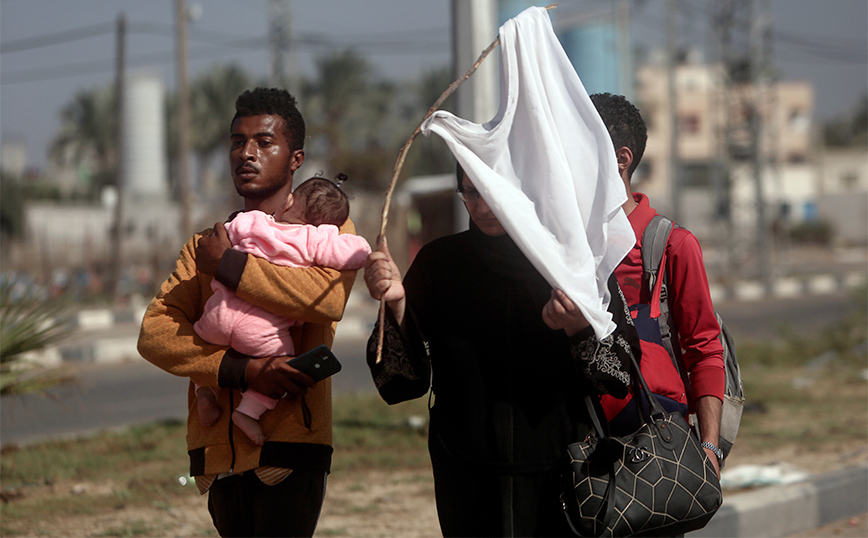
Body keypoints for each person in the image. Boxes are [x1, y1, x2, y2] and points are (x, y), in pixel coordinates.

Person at [363, 165, 640, 537]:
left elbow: (621, 375)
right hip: (467, 477)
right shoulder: (439, 264)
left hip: (564, 475)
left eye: (493, 191)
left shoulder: (574, 263)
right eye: (470, 192)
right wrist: (397, 308)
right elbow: (402, 384)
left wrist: (577, 328)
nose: (482, 206)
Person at [137, 87, 360, 537]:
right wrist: (240, 370)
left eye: (264, 141)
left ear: (295, 158)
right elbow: (155, 334)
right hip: (217, 455)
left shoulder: (328, 230)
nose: (247, 153)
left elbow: (324, 299)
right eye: (238, 142)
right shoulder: (208, 243)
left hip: (290, 449)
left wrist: (233, 267)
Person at [590, 92, 726, 477]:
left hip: (655, 452)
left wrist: (710, 448)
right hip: (581, 450)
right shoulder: (563, 247)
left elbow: (703, 349)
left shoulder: (672, 246)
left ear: (622, 159)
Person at [193, 174, 371, 446]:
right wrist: (352, 239)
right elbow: (354, 253)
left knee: (199, 350)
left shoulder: (255, 221)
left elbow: (229, 231)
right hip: (262, 330)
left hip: (218, 313)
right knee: (283, 365)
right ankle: (247, 413)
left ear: (288, 203)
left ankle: (204, 393)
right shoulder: (315, 239)